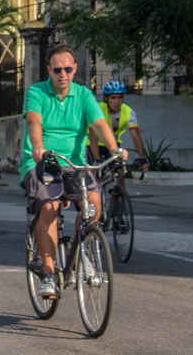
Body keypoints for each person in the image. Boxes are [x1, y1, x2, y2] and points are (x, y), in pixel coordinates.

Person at [20, 44, 126, 300]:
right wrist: (38, 148)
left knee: (95, 202)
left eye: (68, 68)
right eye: (57, 69)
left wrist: (114, 150)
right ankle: (48, 273)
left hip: (75, 163)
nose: (63, 74)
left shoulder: (84, 95)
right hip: (42, 162)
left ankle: (83, 251)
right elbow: (34, 121)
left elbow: (99, 123)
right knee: (50, 207)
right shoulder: (36, 92)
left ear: (75, 68)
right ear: (49, 70)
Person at [88, 80, 148, 191]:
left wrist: (142, 158)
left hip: (113, 144)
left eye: (120, 97)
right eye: (113, 98)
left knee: (120, 174)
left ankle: (120, 203)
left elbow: (136, 137)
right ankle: (94, 200)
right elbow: (93, 138)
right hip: (94, 144)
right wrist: (97, 159)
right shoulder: (97, 110)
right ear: (106, 99)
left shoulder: (129, 112)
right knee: (95, 174)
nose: (117, 101)